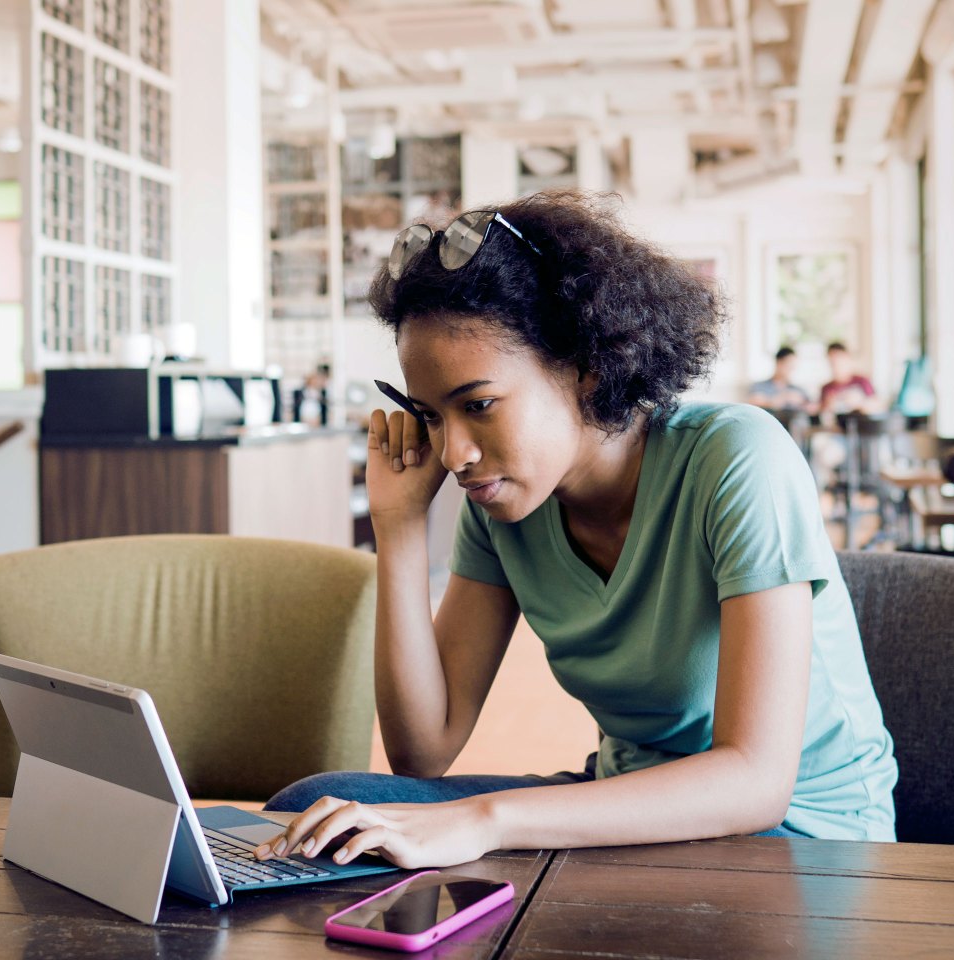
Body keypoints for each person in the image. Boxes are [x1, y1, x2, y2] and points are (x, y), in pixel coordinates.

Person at [255, 192, 897, 872]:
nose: (455, 454)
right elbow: (425, 749)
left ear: (587, 368)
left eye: (478, 405)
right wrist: (401, 527)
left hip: (805, 840)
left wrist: (486, 821)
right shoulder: (502, 506)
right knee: (323, 809)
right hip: (629, 810)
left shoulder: (737, 460)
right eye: (432, 417)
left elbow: (755, 783)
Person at [818, 342, 877, 416]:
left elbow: (878, 406)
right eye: (832, 362)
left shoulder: (862, 381)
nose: (836, 365)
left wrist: (860, 402)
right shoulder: (826, 388)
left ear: (847, 358)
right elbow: (820, 413)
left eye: (839, 360)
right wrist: (827, 407)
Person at [747, 347, 813, 412]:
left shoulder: (798, 389)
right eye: (788, 365)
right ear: (778, 363)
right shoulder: (760, 386)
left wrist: (801, 402)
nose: (791, 370)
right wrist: (781, 399)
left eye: (793, 367)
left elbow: (812, 408)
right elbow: (753, 402)